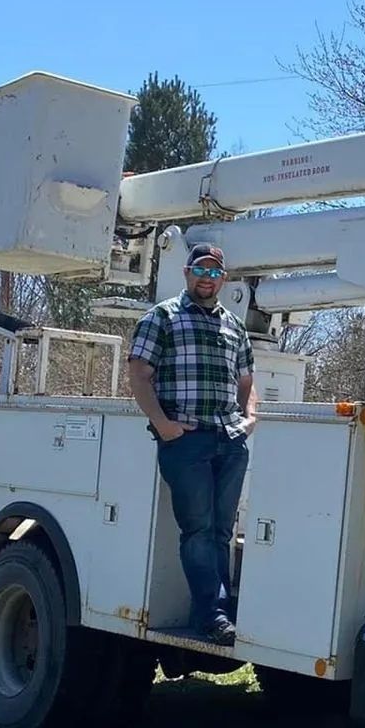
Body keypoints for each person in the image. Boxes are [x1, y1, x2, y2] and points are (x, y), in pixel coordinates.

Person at [126, 242, 257, 644]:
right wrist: (162, 424)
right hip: (186, 442)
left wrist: (250, 417)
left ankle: (219, 609)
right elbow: (139, 374)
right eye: (201, 270)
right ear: (186, 273)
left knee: (221, 530)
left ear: (224, 279)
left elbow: (247, 380)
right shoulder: (162, 317)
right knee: (197, 529)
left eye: (215, 272)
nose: (207, 278)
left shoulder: (234, 326)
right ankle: (212, 615)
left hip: (229, 441)